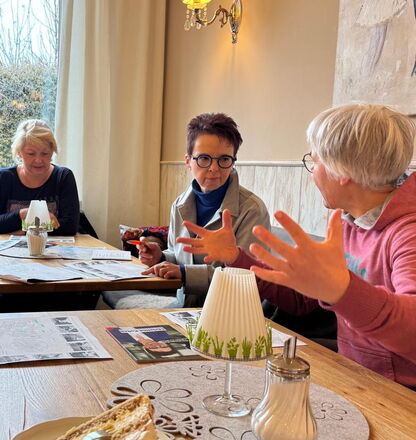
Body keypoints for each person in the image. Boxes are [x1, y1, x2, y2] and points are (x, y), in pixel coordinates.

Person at [177, 104, 416, 388]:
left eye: (314, 161)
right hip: (357, 378)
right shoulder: (348, 224)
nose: (312, 172)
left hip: (401, 396)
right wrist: (236, 258)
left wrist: (343, 290)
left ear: (342, 171)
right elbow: (302, 302)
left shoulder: (408, 231)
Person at [139, 113, 270, 307]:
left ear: (233, 161)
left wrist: (185, 273)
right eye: (204, 158)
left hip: (230, 313)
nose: (214, 168)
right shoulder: (180, 204)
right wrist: (160, 256)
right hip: (184, 310)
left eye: (224, 159)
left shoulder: (252, 210)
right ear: (188, 161)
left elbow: (246, 276)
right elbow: (179, 255)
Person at [0, 119, 80, 236]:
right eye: (31, 153)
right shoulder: (3, 178)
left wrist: (23, 232)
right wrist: (24, 214)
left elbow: (70, 227)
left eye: (45, 153)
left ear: (52, 152)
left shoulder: (63, 177)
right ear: (19, 153)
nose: (38, 160)